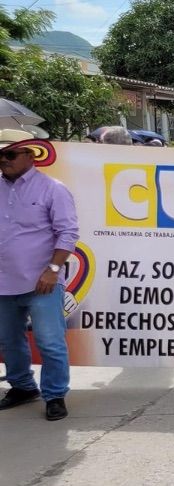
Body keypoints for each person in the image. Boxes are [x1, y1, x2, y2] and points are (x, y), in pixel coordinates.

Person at [0, 129, 79, 421]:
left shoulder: (52, 188)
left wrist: (53, 269)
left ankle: (55, 394)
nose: (3, 160)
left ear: (30, 156)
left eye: (9, 154)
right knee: (8, 340)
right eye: (0, 155)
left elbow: (68, 233)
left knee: (49, 341)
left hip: (42, 282)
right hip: (3, 281)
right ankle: (22, 386)